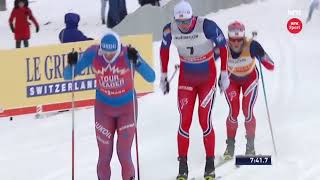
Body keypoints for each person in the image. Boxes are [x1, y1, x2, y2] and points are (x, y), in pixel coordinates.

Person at [63, 31, 155, 180]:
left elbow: (151, 77)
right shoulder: (93, 53)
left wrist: (137, 60)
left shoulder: (127, 54)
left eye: (112, 53)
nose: (109, 57)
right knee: (104, 155)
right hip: (103, 110)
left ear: (119, 49)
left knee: (123, 153)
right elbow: (68, 76)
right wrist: (71, 64)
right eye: (106, 53)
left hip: (127, 109)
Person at [159, 1, 229, 179]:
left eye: (187, 21)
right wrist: (163, 76)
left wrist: (224, 74)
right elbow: (164, 50)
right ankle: (183, 167)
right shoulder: (169, 29)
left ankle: (210, 164)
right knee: (185, 121)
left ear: (192, 17)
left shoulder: (206, 26)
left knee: (204, 120)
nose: (184, 25)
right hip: (186, 79)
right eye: (180, 22)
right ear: (175, 20)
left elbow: (223, 45)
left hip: (207, 78)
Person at [222, 21, 274, 160]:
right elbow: (208, 59)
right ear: (228, 37)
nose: (236, 43)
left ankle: (250, 147)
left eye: (239, 40)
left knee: (247, 111)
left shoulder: (252, 45)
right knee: (233, 111)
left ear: (243, 37)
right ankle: (230, 147)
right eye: (233, 40)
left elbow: (271, 65)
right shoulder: (223, 46)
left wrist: (261, 56)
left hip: (250, 80)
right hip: (231, 81)